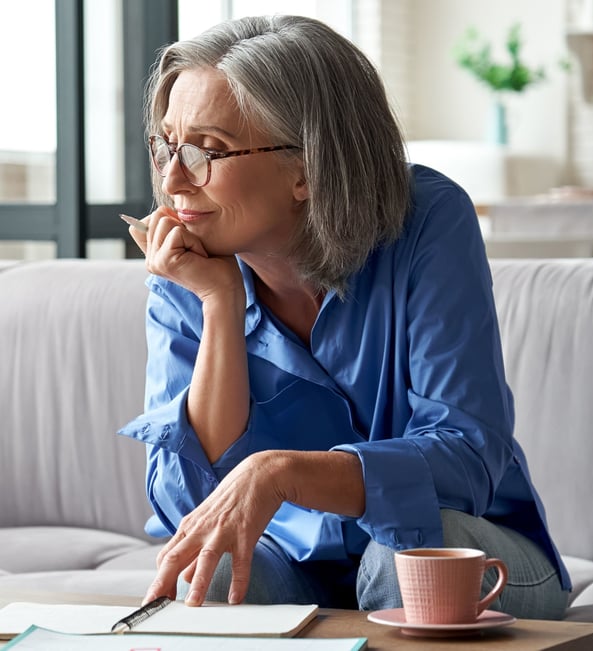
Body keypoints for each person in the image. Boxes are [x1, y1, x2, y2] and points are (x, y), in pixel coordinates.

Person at [118, 14, 570, 618]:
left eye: (208, 150)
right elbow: (190, 505)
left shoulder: (428, 221)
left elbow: (466, 457)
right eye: (166, 145)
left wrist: (282, 473)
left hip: (468, 548)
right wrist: (219, 305)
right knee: (216, 567)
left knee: (402, 556)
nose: (173, 179)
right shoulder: (188, 264)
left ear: (307, 167)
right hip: (294, 562)